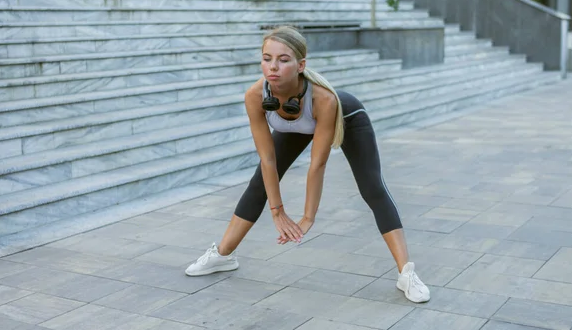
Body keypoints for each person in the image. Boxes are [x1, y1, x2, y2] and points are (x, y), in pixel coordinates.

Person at [184, 26, 430, 303]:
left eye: (284, 59)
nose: (273, 66)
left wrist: (307, 217)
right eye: (267, 58)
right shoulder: (255, 95)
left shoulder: (323, 99)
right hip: (296, 124)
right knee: (259, 183)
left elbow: (318, 164)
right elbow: (267, 160)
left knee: (372, 188)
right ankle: (223, 255)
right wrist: (277, 212)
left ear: (301, 65)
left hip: (348, 117)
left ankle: (406, 273)